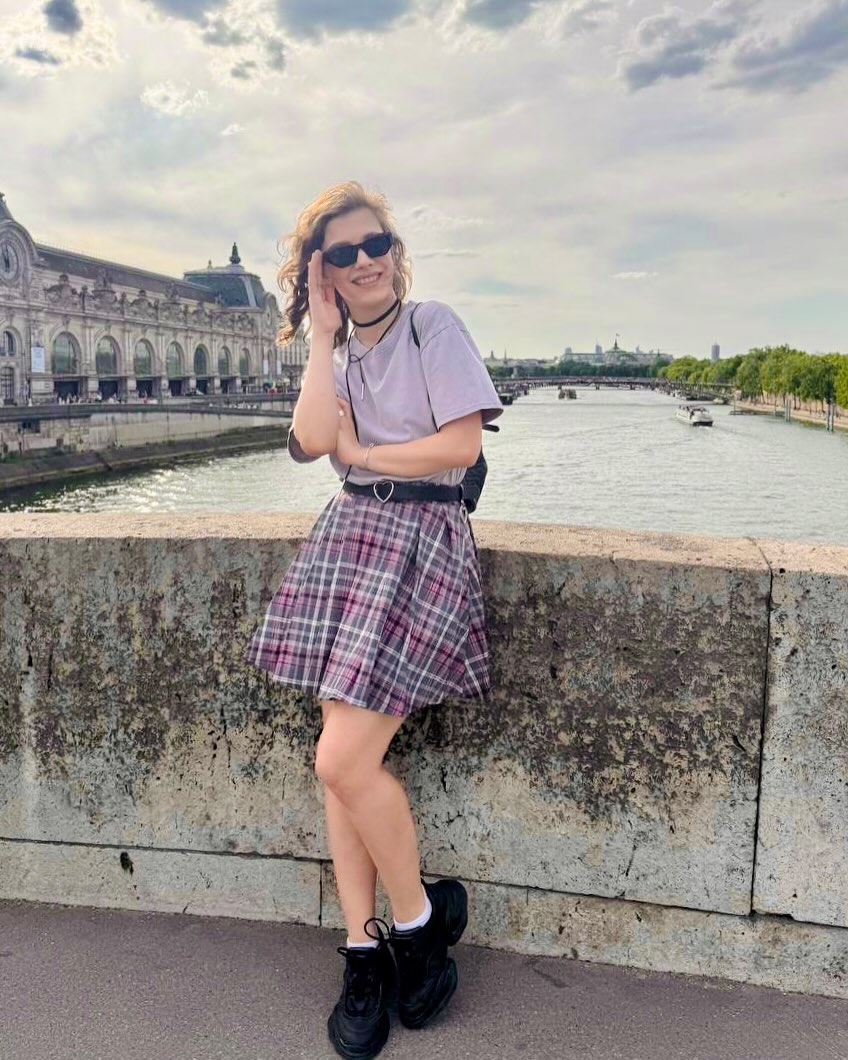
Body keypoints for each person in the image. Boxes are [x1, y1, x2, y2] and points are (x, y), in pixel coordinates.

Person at [243, 181, 502, 1060]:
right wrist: (321, 334)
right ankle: (366, 948)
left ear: (395, 249)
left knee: (341, 760)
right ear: (323, 271)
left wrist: (366, 452)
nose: (367, 261)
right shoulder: (341, 351)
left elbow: (461, 444)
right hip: (351, 539)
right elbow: (314, 440)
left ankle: (419, 922)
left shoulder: (434, 326)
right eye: (344, 253)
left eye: (376, 243)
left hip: (421, 541)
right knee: (340, 767)